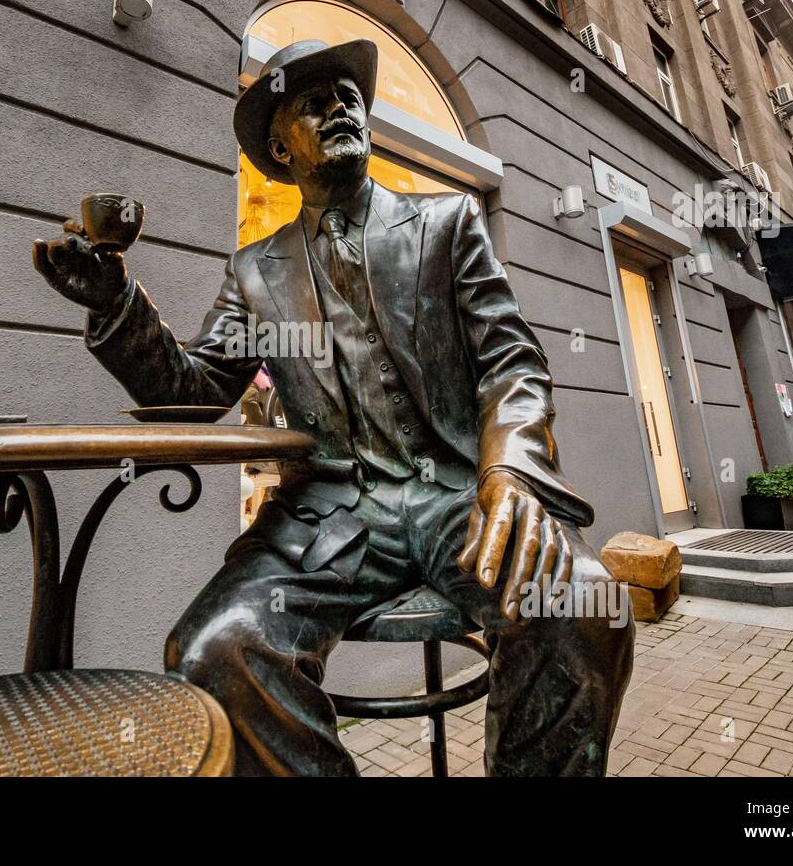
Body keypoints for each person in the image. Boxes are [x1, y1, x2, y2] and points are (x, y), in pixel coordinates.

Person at [33, 38, 633, 776]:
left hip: (458, 498)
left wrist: (510, 467)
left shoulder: (446, 226)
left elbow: (512, 360)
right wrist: (117, 306)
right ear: (279, 151)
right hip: (329, 520)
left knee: (582, 606)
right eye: (314, 105)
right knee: (217, 646)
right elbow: (193, 397)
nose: (340, 108)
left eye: (348, 98)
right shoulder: (256, 270)